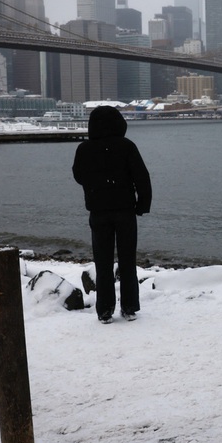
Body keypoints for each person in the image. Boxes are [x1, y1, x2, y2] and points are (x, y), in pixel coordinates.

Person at [72, 105, 152, 324]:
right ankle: (129, 307)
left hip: (98, 211)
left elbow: (78, 175)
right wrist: (142, 205)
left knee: (103, 262)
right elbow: (142, 177)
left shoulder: (84, 149)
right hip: (125, 210)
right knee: (127, 260)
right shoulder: (126, 146)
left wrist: (95, 185)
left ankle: (105, 310)